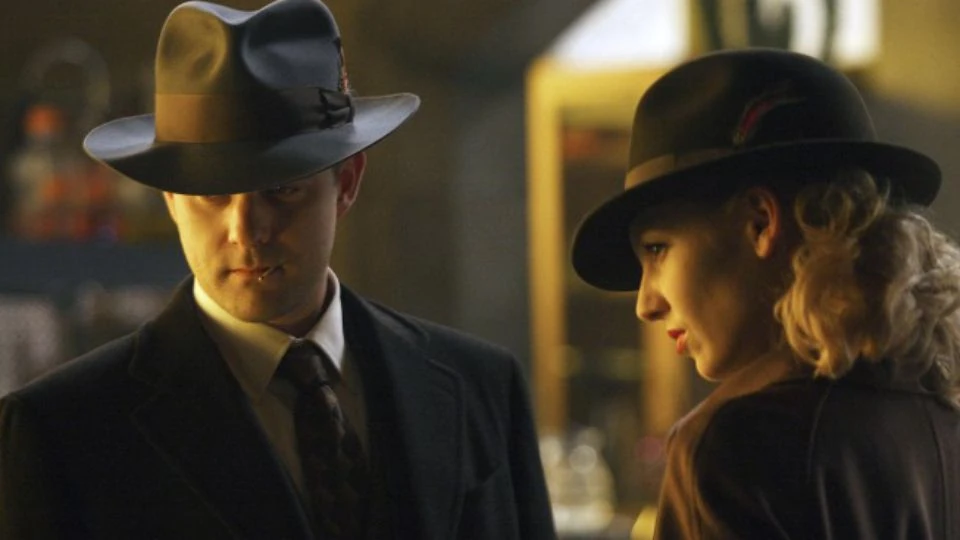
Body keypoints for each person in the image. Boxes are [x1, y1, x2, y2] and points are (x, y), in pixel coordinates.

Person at [0, 0, 556, 538]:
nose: (246, 230)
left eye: (282, 189)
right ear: (171, 198)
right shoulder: (64, 432)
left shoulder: (482, 389)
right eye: (212, 194)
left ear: (346, 183)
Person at [571, 48, 960, 539]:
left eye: (657, 248)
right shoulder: (941, 420)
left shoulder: (735, 446)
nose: (646, 303)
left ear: (759, 222)